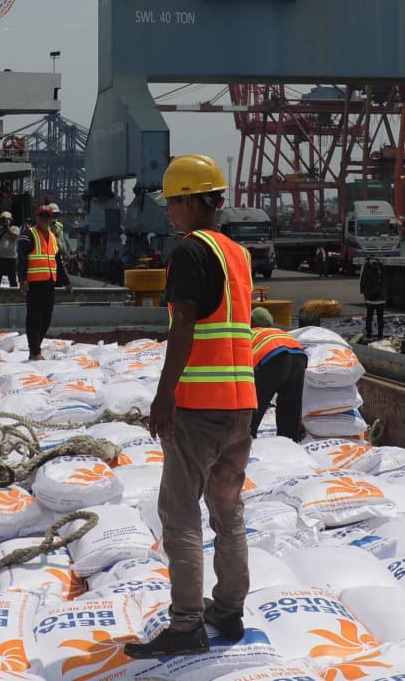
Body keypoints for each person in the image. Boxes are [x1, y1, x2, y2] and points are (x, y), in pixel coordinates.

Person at [126, 154, 256, 659]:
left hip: (199, 407)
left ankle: (186, 625)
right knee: (229, 511)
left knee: (179, 513)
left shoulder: (189, 252)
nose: (169, 213)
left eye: (173, 203)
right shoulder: (237, 254)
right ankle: (228, 610)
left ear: (192, 201)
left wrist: (164, 396)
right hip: (241, 405)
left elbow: (183, 326)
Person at [17, 203, 74, 360]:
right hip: (34, 284)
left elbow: (57, 262)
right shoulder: (29, 235)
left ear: (51, 219)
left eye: (47, 216)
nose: (45, 219)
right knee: (34, 317)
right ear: (37, 217)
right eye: (42, 216)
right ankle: (34, 351)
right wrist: (22, 279)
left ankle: (36, 346)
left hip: (49, 283)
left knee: (46, 317)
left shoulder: (52, 238)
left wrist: (66, 282)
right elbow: (21, 259)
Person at [248, 307, 306, 440]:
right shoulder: (280, 332)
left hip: (271, 357)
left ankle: (246, 446)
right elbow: (296, 400)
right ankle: (290, 445)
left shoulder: (250, 332)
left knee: (251, 411)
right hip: (298, 354)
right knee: (290, 410)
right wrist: (298, 419)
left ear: (251, 321)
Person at [359, 255, 385, 339]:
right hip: (380, 298)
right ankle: (380, 334)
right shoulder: (381, 268)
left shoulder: (367, 269)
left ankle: (369, 334)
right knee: (380, 318)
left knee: (369, 318)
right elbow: (385, 281)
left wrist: (365, 294)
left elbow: (363, 282)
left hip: (370, 298)